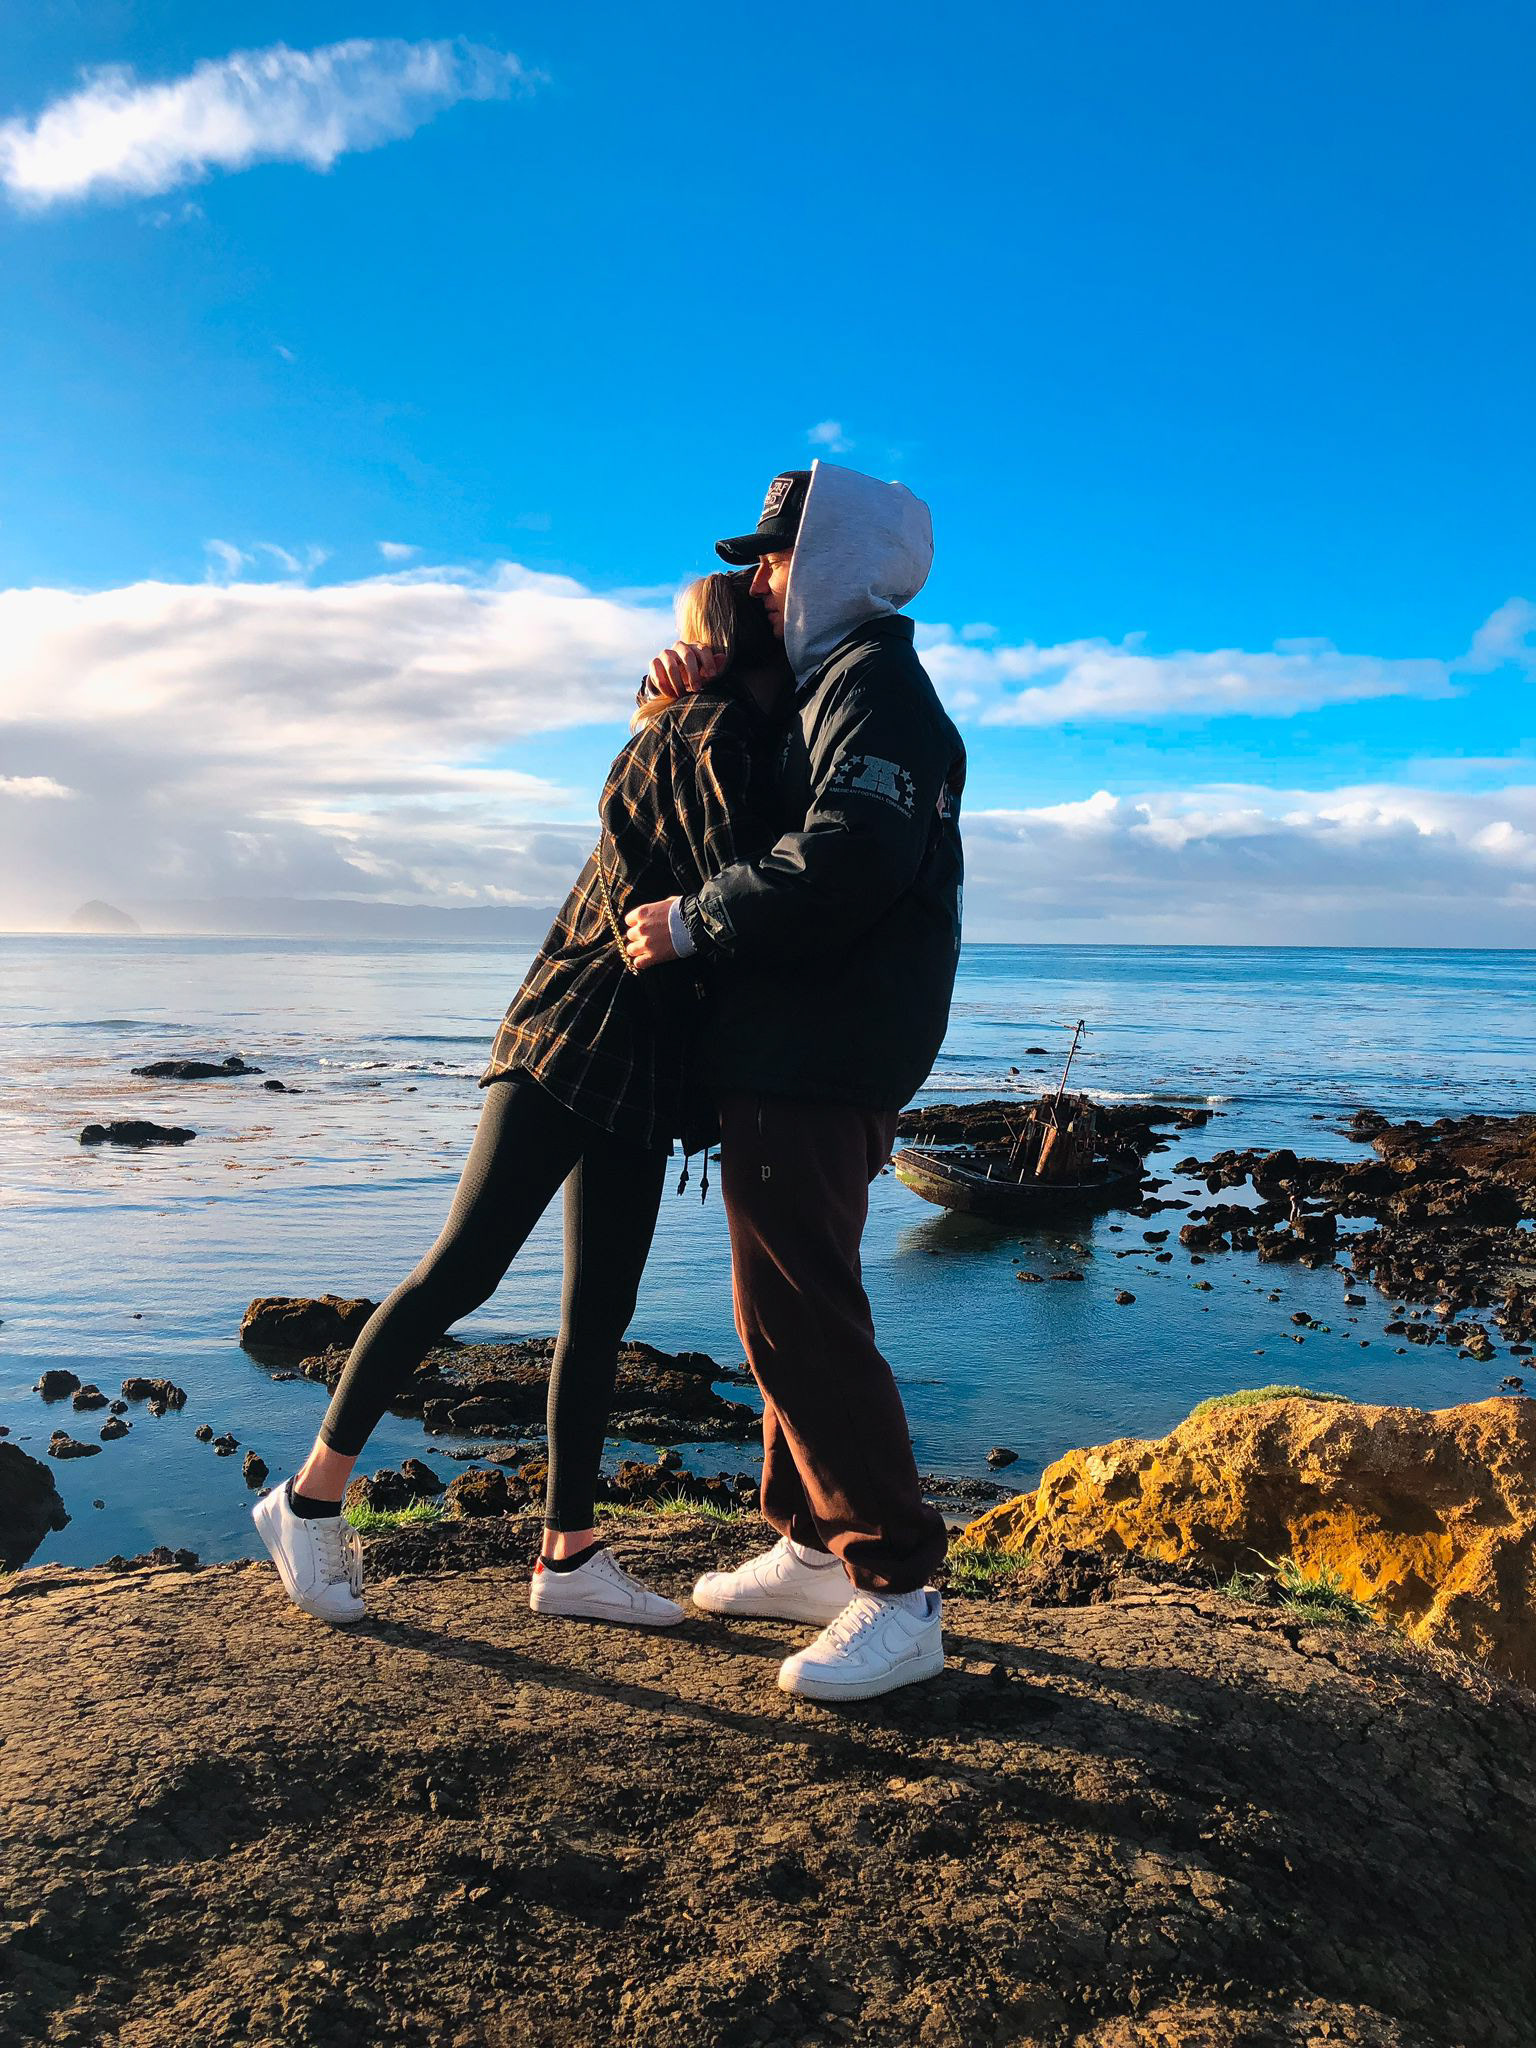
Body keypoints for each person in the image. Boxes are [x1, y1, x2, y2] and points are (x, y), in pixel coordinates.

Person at [253, 571, 792, 1627]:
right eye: (775, 620)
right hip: (580, 1036)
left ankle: (570, 1554)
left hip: (633, 1056)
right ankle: (308, 1501)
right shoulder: (708, 732)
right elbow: (745, 887)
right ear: (745, 643)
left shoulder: (701, 727)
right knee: (463, 1272)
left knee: (595, 1311)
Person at [625, 461, 967, 1703]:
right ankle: (818, 1546)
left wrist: (691, 922)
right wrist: (681, 688)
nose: (760, 581)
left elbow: (849, 852)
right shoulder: (837, 683)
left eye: (774, 557)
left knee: (799, 1312)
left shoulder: (875, 684)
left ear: (829, 559)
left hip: (824, 1048)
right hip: (815, 1043)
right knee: (788, 1299)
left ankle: (900, 1588)